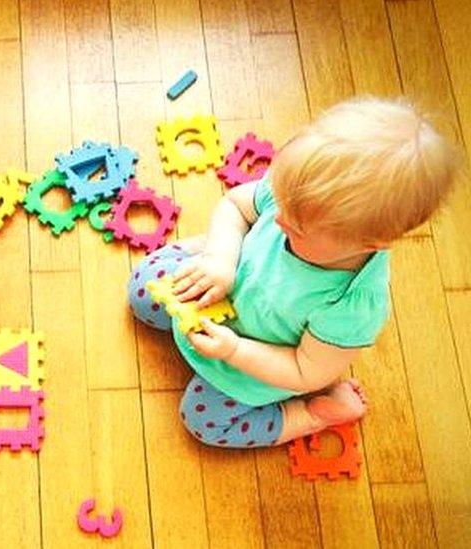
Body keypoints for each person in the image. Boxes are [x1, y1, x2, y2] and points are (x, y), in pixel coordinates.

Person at [129, 97, 460, 448]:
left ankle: (312, 416)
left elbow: (306, 371)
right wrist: (219, 259)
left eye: (297, 228)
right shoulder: (297, 194)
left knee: (203, 421)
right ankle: (214, 248)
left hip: (254, 360)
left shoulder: (352, 306)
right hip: (223, 285)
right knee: (142, 290)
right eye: (281, 203)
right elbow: (235, 205)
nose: (278, 219)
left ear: (372, 243)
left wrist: (234, 351)